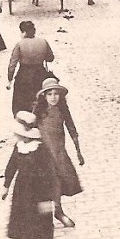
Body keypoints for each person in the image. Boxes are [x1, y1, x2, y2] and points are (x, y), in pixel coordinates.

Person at [2, 111, 59, 239]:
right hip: (22, 192)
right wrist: (6, 186)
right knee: (23, 222)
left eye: (18, 133)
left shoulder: (41, 150)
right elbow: (12, 165)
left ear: (27, 135)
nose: (16, 135)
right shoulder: (19, 146)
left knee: (41, 226)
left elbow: (51, 174)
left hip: (40, 193)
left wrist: (49, 199)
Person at [32, 78, 84, 229]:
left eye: (56, 94)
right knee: (44, 185)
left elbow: (72, 129)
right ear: (44, 96)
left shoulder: (62, 110)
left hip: (59, 153)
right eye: (50, 94)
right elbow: (30, 130)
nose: (53, 97)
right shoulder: (39, 111)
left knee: (58, 183)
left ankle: (59, 211)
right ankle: (45, 217)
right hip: (43, 153)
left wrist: (78, 151)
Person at [7, 21, 55, 116]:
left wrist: (10, 79)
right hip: (40, 73)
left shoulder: (20, 44)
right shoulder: (43, 41)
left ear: (24, 32)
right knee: (40, 98)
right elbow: (50, 58)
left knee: (22, 101)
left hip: (24, 75)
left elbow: (12, 64)